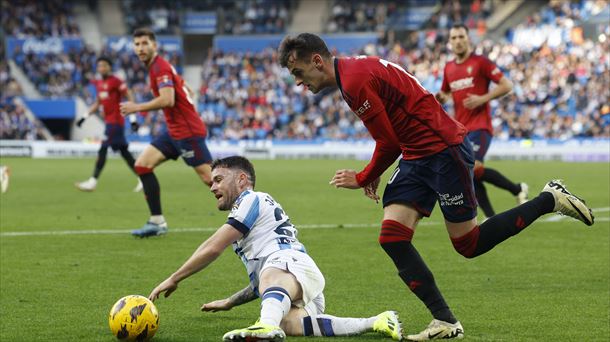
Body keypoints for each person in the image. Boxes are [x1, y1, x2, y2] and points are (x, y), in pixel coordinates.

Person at [277, 33, 594, 340]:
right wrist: (374, 171)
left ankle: (548, 200)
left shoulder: (355, 80)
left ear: (316, 60)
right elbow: (390, 136)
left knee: (468, 244)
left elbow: (387, 142)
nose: (298, 83)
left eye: (298, 72)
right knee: (392, 237)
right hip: (416, 154)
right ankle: (445, 320)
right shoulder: (351, 73)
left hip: (443, 150)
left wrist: (362, 176)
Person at [148, 156, 404, 341]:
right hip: (297, 277)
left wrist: (174, 278)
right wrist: (230, 302)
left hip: (291, 266)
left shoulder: (251, 199)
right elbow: (265, 283)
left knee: (270, 280)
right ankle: (377, 321)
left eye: (218, 180)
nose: (212, 186)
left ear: (241, 179)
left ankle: (264, 326)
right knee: (289, 324)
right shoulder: (257, 216)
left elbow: (214, 247)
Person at [120, 28, 213, 238]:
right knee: (142, 165)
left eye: (145, 43)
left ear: (155, 45)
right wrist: (185, 86)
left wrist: (136, 107)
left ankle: (254, 214)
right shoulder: (159, 65)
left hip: (187, 132)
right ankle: (157, 222)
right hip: (174, 132)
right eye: (137, 44)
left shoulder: (159, 67)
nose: (141, 48)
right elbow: (180, 84)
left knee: (212, 180)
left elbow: (168, 99)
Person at [436, 24, 528, 219]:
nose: (458, 41)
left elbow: (507, 85)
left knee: (474, 166)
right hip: (460, 129)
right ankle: (492, 217)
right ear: (450, 43)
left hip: (480, 125)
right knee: (470, 174)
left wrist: (482, 98)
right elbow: (446, 92)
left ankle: (517, 188)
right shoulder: (449, 68)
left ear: (468, 39)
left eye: (461, 36)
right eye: (454, 38)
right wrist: (442, 98)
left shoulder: (481, 63)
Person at [75, 56, 142, 193]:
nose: (102, 68)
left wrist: (133, 118)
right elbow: (98, 103)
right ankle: (143, 179)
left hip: (115, 123)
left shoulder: (116, 81)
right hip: (110, 123)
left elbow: (129, 96)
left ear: (110, 67)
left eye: (104, 65)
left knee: (103, 149)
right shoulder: (99, 84)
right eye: (99, 66)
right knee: (125, 153)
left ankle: (92, 181)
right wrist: (84, 117)